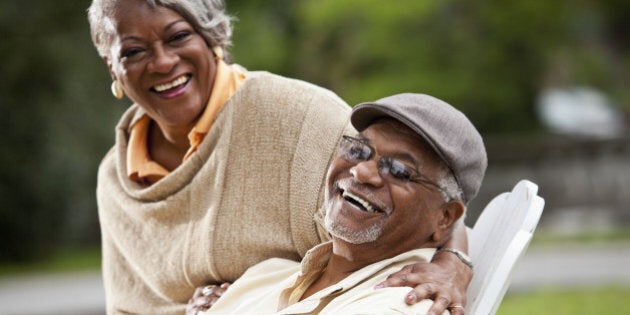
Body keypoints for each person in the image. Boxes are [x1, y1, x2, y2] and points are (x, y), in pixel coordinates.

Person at [87, 0, 473, 313]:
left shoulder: (296, 114)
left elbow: (418, 190)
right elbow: (128, 306)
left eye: (178, 37)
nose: (162, 62)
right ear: (112, 66)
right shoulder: (115, 179)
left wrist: (453, 263)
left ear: (211, 38)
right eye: (134, 51)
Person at [193, 93, 487, 315]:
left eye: (398, 170)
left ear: (445, 218)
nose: (362, 171)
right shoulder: (268, 274)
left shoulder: (397, 305)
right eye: (359, 149)